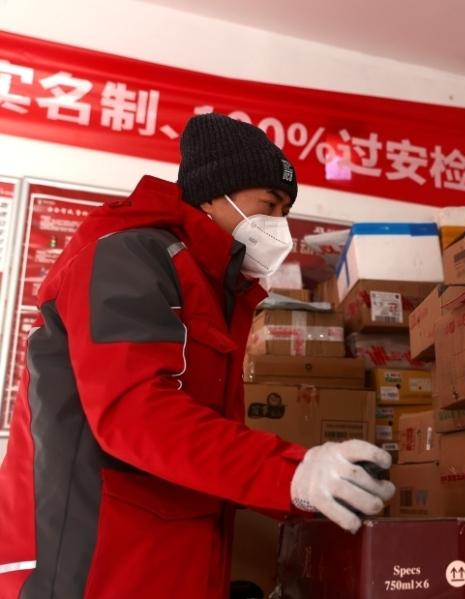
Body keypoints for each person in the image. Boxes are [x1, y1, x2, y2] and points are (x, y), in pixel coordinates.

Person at [0, 114, 394, 598]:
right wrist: (293, 473)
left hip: (166, 560)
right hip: (92, 562)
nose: (280, 225)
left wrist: (313, 491)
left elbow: (202, 440)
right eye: (270, 204)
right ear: (211, 195)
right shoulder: (128, 257)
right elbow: (136, 414)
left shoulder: (215, 290)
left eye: (286, 211)